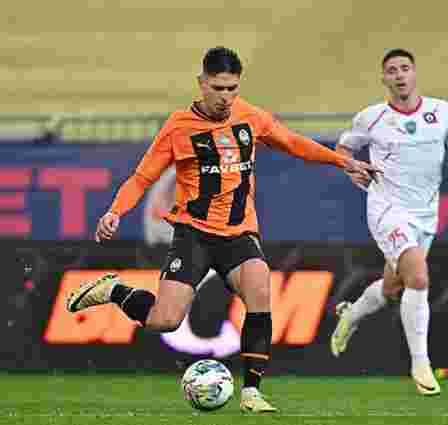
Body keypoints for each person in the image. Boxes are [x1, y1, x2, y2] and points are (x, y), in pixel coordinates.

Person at [65, 46, 377, 413]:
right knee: (165, 320)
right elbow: (142, 177)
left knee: (260, 289)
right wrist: (115, 211)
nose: (226, 97)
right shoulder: (178, 127)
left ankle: (252, 392)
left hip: (239, 234)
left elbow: (293, 142)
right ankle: (114, 291)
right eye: (218, 88)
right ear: (202, 83)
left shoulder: (250, 116)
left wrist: (342, 161)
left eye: (232, 88)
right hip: (194, 235)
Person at [329, 48, 448, 396]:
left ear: (414, 73)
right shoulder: (371, 118)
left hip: (425, 213)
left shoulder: (441, 111)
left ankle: (350, 315)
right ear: (384, 79)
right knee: (419, 277)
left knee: (393, 286)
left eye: (404, 68)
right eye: (392, 70)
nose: (399, 75)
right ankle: (421, 364)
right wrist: (351, 169)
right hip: (387, 209)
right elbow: (343, 150)